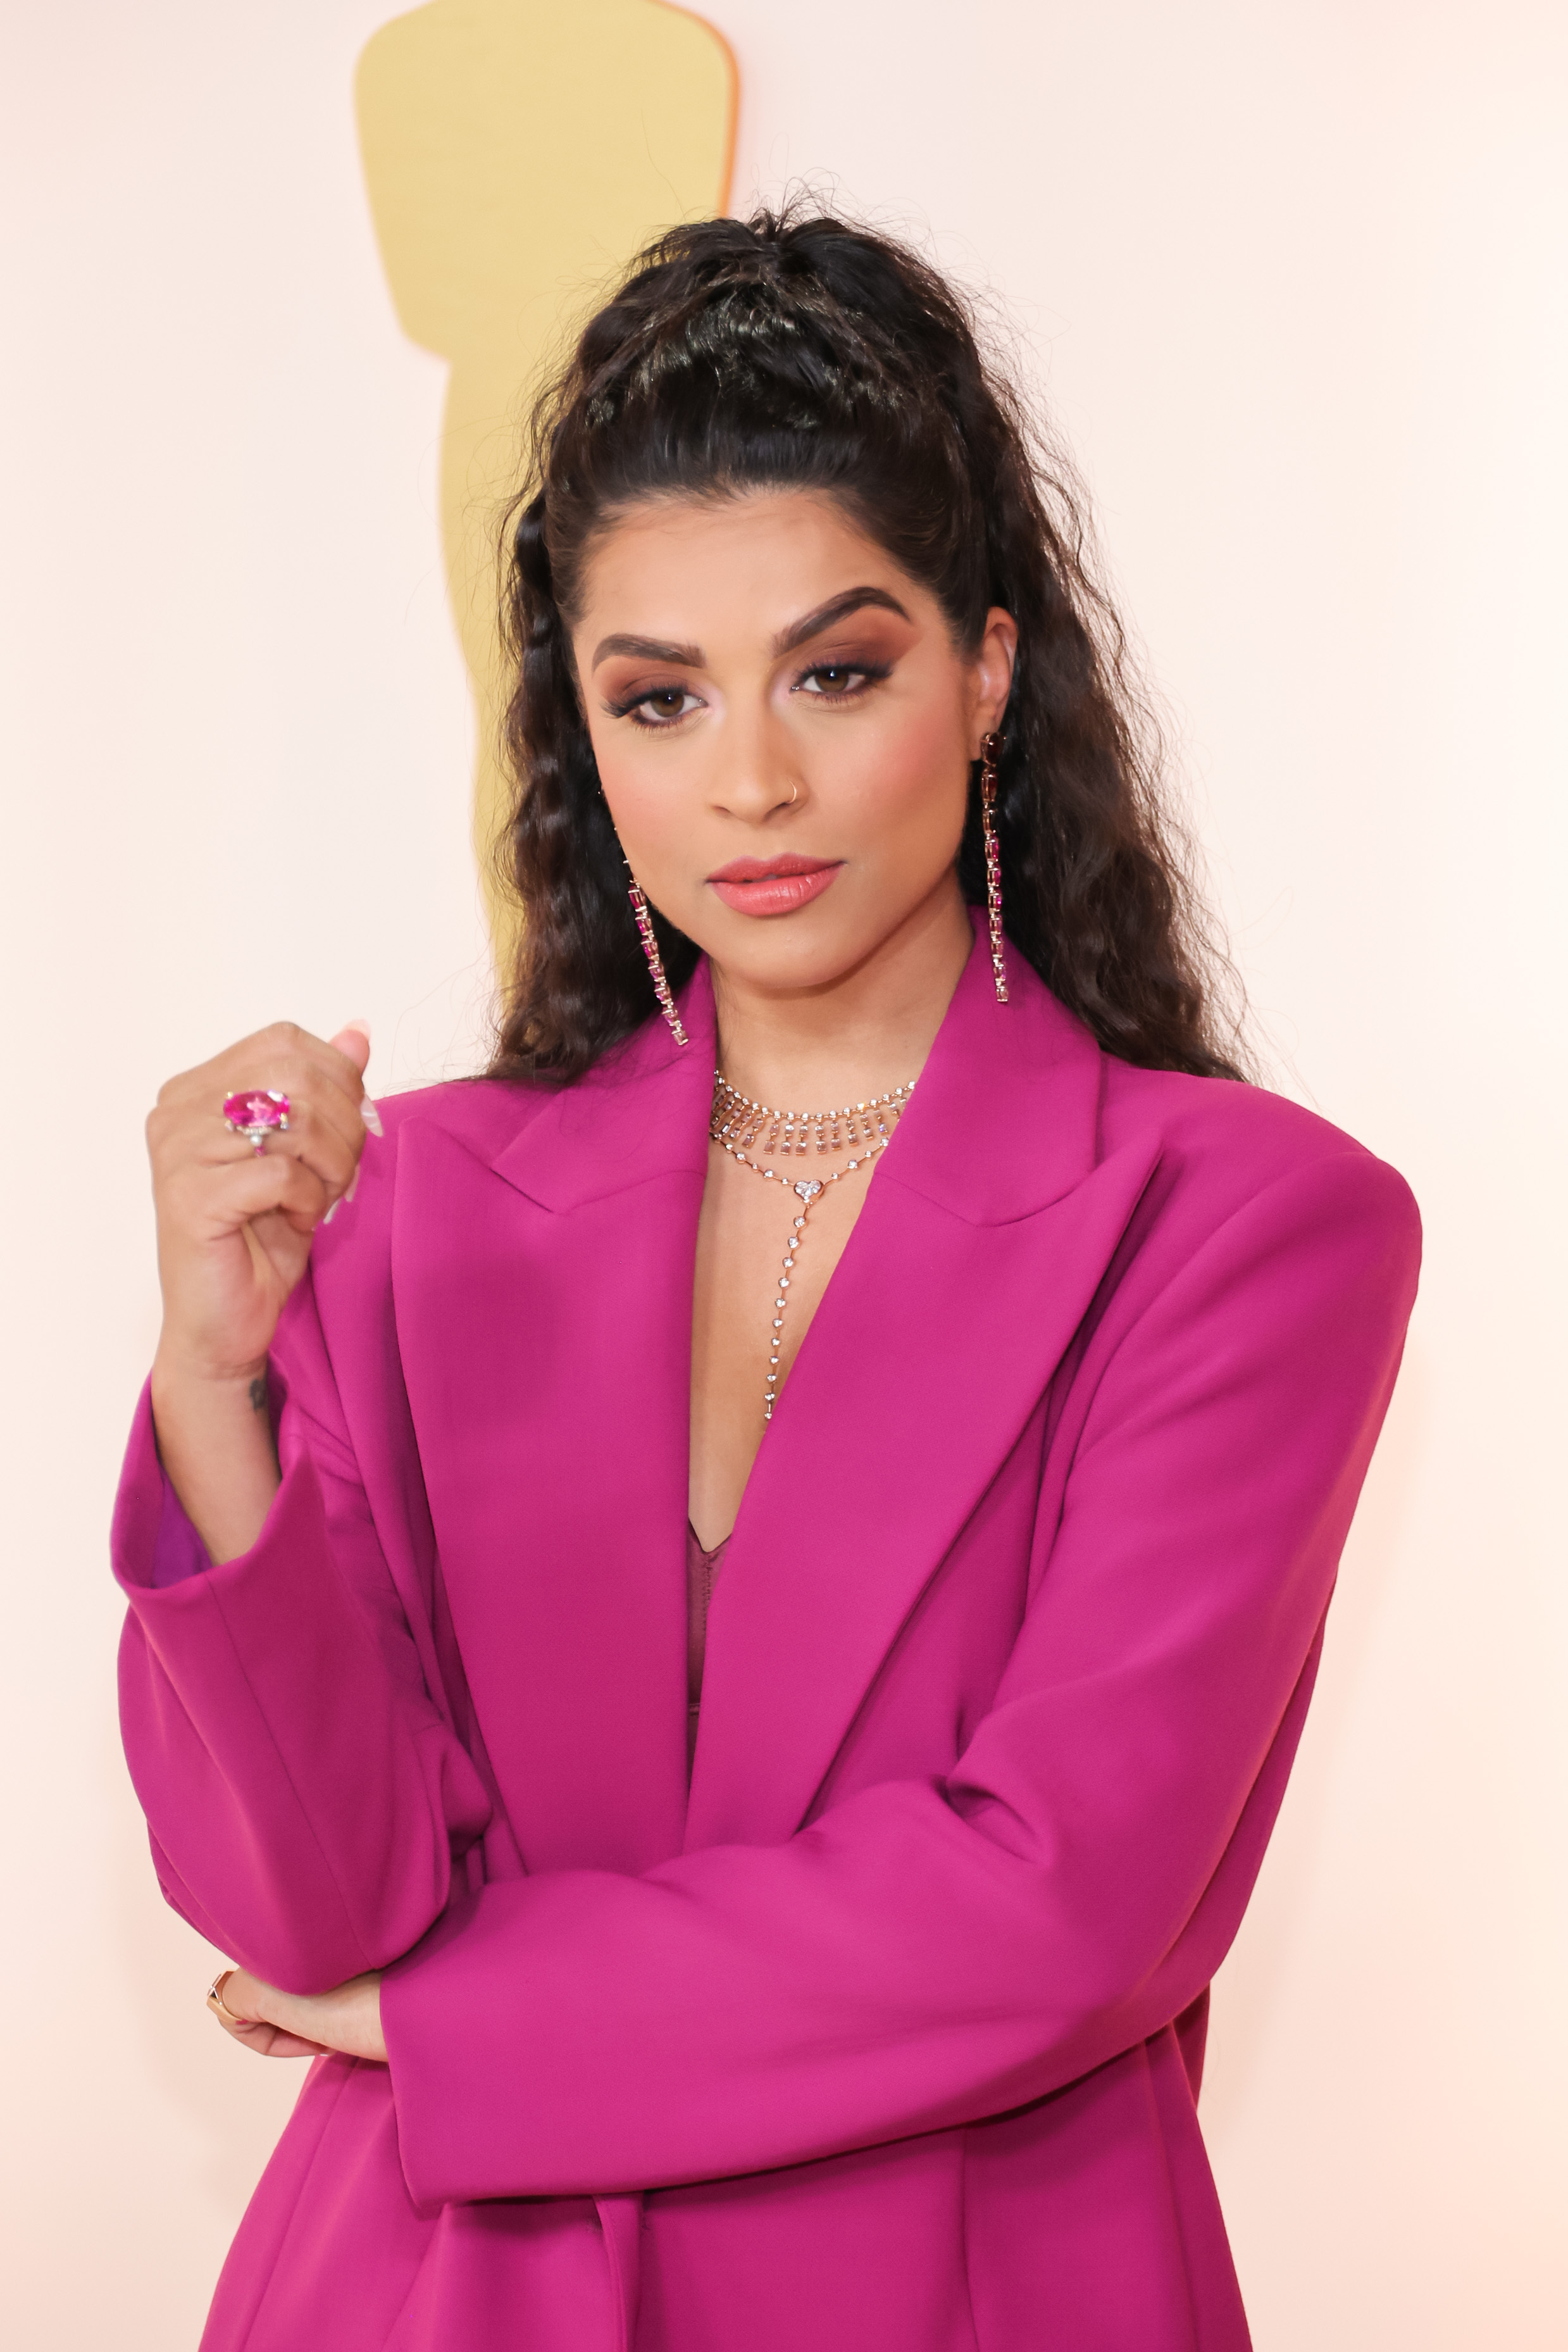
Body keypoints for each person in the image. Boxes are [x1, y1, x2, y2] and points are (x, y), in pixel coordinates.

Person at [115, 210, 1421, 2352]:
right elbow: (306, 1902)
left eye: (838, 668)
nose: (750, 780)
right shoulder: (414, 1205)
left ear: (988, 666)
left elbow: (1061, 1908)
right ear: (584, 729)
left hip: (977, 2296)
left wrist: (441, 2021)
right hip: (443, 2302)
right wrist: (209, 1379)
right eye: (660, 695)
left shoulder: (1252, 1226)